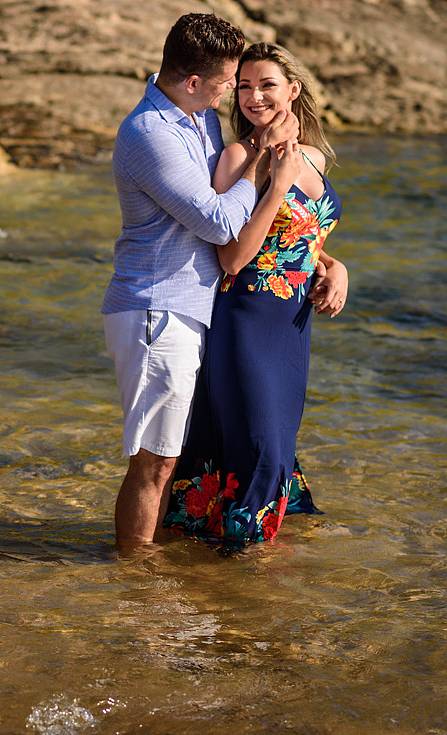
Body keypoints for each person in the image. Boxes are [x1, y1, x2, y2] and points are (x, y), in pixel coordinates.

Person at [102, 13, 305, 555]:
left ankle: (154, 562)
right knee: (155, 460)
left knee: (177, 456)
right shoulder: (149, 133)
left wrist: (327, 261)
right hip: (156, 308)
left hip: (191, 308)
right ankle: (135, 575)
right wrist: (264, 167)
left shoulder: (199, 118)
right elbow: (217, 222)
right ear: (193, 81)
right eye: (227, 83)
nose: (232, 95)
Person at [162, 42, 349, 546]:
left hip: (291, 327)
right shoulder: (237, 158)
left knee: (275, 444)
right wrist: (274, 179)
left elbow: (303, 237)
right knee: (261, 447)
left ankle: (233, 568)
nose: (254, 96)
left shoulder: (314, 158)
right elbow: (232, 256)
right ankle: (242, 559)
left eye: (267, 85)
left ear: (294, 90)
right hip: (245, 320)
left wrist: (337, 266)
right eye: (244, 86)